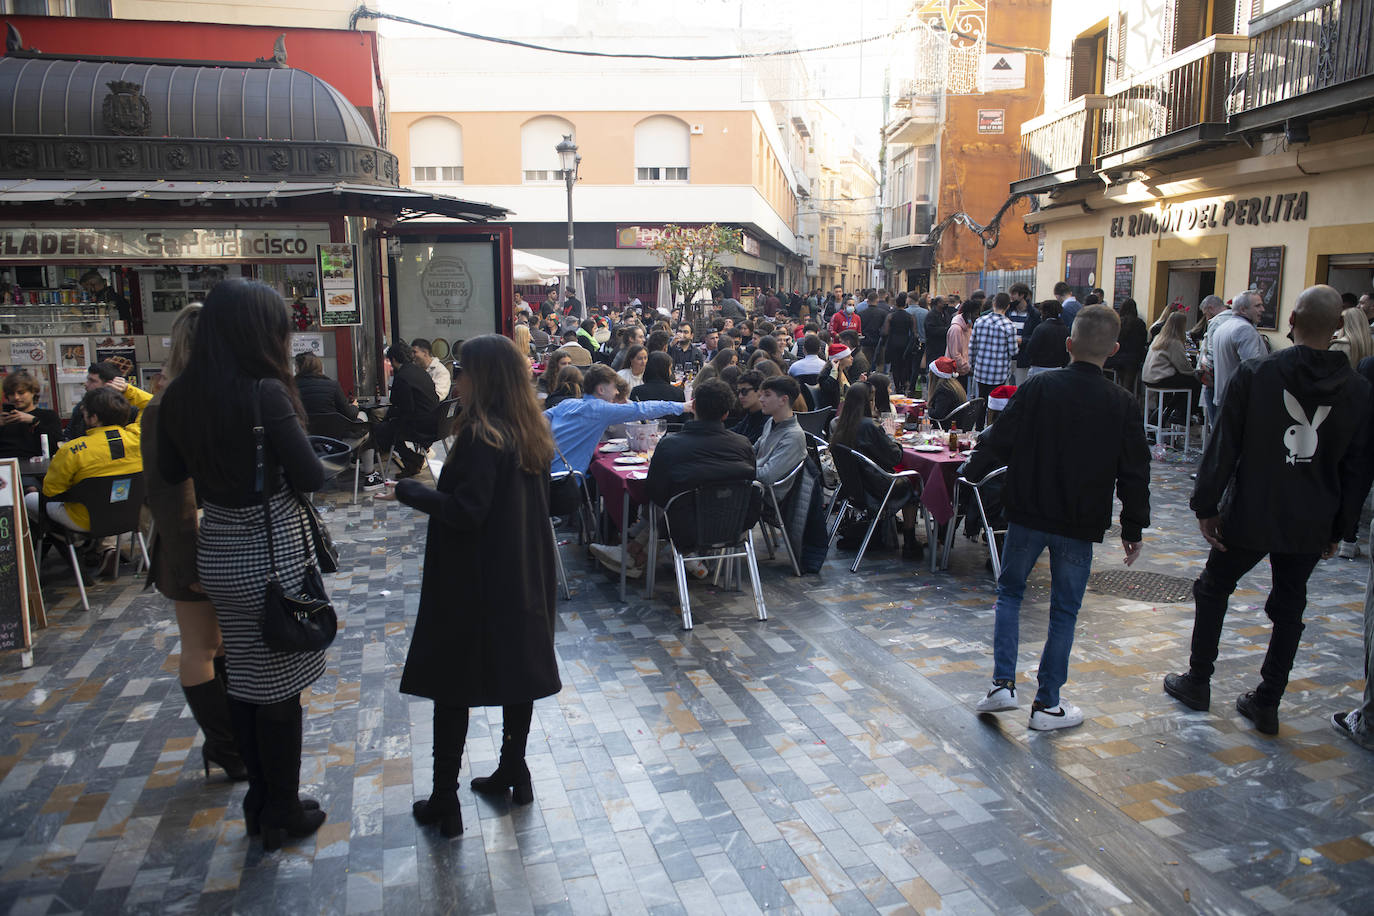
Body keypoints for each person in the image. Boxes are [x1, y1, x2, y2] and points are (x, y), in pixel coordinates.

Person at [158, 278, 327, 850]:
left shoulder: (177, 396)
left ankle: (261, 799)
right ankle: (280, 809)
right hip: (270, 553)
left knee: (248, 680)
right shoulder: (265, 393)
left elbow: (169, 472)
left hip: (220, 551)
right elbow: (308, 476)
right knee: (279, 686)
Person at [1164, 285, 1370, 736]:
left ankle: (1199, 680)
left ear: (1292, 318)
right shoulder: (1356, 391)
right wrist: (1343, 527)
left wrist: (1206, 503)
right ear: (1338, 327)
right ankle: (1268, 699)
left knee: (1214, 587)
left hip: (1253, 507)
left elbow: (1224, 445)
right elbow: (1358, 467)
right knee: (1290, 604)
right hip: (1311, 515)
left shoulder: (1258, 374)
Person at [384, 335, 561, 838]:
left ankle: (445, 799)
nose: (455, 375)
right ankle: (513, 769)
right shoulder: (530, 430)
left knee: (452, 683)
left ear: (482, 378)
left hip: (477, 577)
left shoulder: (483, 435)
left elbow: (467, 512)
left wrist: (412, 492)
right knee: (517, 670)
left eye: (462, 368)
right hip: (523, 568)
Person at [966, 304, 1150, 730]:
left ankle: (1003, 684)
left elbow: (1000, 437)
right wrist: (1133, 526)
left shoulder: (1039, 387)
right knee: (1064, 610)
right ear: (1115, 349)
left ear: (1069, 344)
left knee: (1010, 593)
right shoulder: (1122, 402)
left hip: (1029, 510)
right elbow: (1135, 470)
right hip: (1079, 522)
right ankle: (1047, 703)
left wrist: (971, 472)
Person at [139, 304, 246, 781]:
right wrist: (190, 564)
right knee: (202, 645)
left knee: (219, 645)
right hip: (192, 544)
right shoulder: (168, 404)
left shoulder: (205, 396)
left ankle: (231, 741)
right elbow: (169, 495)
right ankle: (225, 746)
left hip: (218, 538)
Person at [830, 382, 924, 559]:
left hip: (853, 487)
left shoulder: (840, 423)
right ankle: (910, 542)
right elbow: (894, 457)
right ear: (868, 402)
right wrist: (889, 434)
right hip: (875, 487)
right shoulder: (869, 426)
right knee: (914, 483)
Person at [547, 364, 688, 476]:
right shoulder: (600, 409)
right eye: (614, 387)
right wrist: (683, 406)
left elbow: (539, 418)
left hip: (545, 474)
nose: (616, 392)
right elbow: (643, 409)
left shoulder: (567, 404)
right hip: (566, 481)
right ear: (601, 389)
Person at [295, 352, 382, 490]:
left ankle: (356, 462)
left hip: (307, 442)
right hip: (337, 443)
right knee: (364, 422)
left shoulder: (291, 387)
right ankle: (370, 476)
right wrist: (354, 406)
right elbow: (349, 415)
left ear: (298, 368)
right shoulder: (332, 386)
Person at [373, 344, 440, 479]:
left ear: (394, 360)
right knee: (389, 427)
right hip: (436, 423)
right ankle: (411, 462)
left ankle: (413, 459)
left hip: (420, 426)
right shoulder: (421, 372)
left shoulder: (402, 377)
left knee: (380, 430)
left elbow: (404, 407)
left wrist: (387, 418)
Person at [1209, 290, 1267, 412]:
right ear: (1242, 310)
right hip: (1239, 401)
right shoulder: (1244, 329)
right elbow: (1252, 368)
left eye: (1262, 305)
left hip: (1225, 398)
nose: (1262, 309)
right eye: (1257, 306)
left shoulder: (1223, 327)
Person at [64, 361, 151, 441]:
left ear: (110, 385)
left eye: (92, 381)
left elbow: (155, 406)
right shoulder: (82, 407)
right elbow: (70, 435)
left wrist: (128, 390)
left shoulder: (131, 409)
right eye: (87, 380)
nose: (86, 384)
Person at [1144, 310, 1201, 423]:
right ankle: (1182, 414)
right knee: (1194, 384)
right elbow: (1183, 367)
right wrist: (1195, 371)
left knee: (1182, 388)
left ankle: (1169, 413)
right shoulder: (1174, 342)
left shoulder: (1159, 338)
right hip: (1161, 378)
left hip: (1149, 377)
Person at [0, 370, 60, 460]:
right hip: (6, 468)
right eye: (12, 394)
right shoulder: (3, 419)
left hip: (38, 468)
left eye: (21, 393)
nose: (16, 397)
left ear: (33, 392)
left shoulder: (48, 416)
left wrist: (35, 422)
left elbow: (56, 447)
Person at [969, 293, 1018, 398]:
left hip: (981, 370)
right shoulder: (1009, 326)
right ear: (1008, 306)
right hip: (999, 372)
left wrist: (972, 365)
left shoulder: (979, 321)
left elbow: (972, 346)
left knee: (981, 401)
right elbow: (1013, 351)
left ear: (993, 303)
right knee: (995, 403)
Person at [1105, 298, 1147, 395]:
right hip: (1133, 358)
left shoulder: (1118, 322)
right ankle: (1126, 401)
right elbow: (1142, 341)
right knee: (1128, 384)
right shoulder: (1139, 323)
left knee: (1121, 379)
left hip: (1117, 357)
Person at [883, 296, 915, 393]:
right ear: (905, 304)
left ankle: (897, 386)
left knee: (895, 366)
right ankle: (904, 383)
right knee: (905, 365)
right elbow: (914, 333)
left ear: (896, 304)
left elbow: (885, 332)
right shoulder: (910, 316)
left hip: (893, 343)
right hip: (906, 342)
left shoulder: (891, 316)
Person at [926, 357, 967, 422]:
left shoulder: (943, 390)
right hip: (957, 421)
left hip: (947, 425)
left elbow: (937, 414)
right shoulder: (954, 385)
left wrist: (928, 408)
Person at [732, 370, 767, 444]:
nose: (740, 396)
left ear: (759, 391)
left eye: (744, 391)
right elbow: (734, 431)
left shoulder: (768, 420)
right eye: (738, 392)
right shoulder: (750, 414)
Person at [817, 343, 854, 409]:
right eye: (848, 357)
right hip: (834, 411)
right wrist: (834, 373)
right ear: (838, 360)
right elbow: (827, 388)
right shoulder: (827, 373)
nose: (852, 358)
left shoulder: (843, 370)